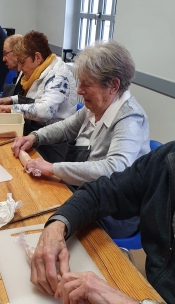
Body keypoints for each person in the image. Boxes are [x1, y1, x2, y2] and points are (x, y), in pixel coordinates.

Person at [29, 74, 175, 304]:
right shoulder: (169, 159)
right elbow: (102, 192)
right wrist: (57, 227)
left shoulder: (130, 118)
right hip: (148, 289)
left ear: (113, 86)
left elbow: (111, 167)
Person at [12, 40, 150, 238]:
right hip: (84, 192)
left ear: (113, 85)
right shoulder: (95, 106)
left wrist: (52, 168)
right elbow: (67, 127)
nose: (79, 90)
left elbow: (115, 168)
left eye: (87, 84)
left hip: (115, 212)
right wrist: (35, 137)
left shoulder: (130, 118)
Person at [0, 30, 77, 139]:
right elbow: (37, 98)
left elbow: (45, 111)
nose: (19, 69)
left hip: (54, 142)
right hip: (41, 133)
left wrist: (10, 108)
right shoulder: (41, 69)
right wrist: (11, 99)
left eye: (22, 63)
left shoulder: (58, 76)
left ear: (37, 57)